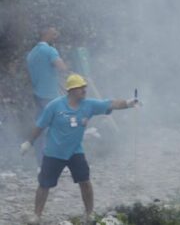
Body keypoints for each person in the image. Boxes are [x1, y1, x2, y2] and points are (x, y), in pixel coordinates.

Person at [19, 74, 139, 224]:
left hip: (75, 151)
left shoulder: (88, 105)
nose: (84, 90)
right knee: (44, 184)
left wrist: (128, 103)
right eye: (81, 87)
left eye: (84, 87)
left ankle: (89, 214)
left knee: (85, 182)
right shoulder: (55, 106)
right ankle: (36, 215)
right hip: (54, 152)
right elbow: (40, 125)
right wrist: (29, 142)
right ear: (72, 90)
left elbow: (110, 104)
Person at [26, 26, 69, 165]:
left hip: (37, 94)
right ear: (47, 34)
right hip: (50, 95)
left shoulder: (31, 53)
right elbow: (61, 67)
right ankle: (56, 162)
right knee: (57, 128)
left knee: (40, 127)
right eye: (54, 33)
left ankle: (41, 162)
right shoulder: (50, 50)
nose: (56, 35)